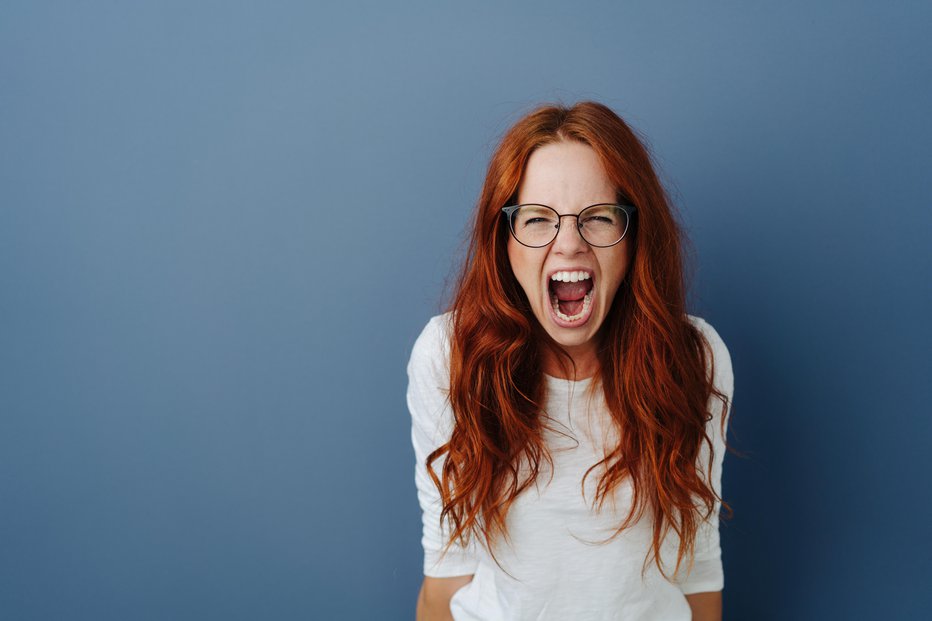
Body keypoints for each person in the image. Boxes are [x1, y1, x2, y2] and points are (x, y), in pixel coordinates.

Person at [408, 101, 734, 621]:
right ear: (503, 240)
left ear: (633, 238)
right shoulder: (449, 358)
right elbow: (447, 572)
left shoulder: (694, 359)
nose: (568, 245)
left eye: (598, 218)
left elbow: (697, 570)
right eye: (538, 219)